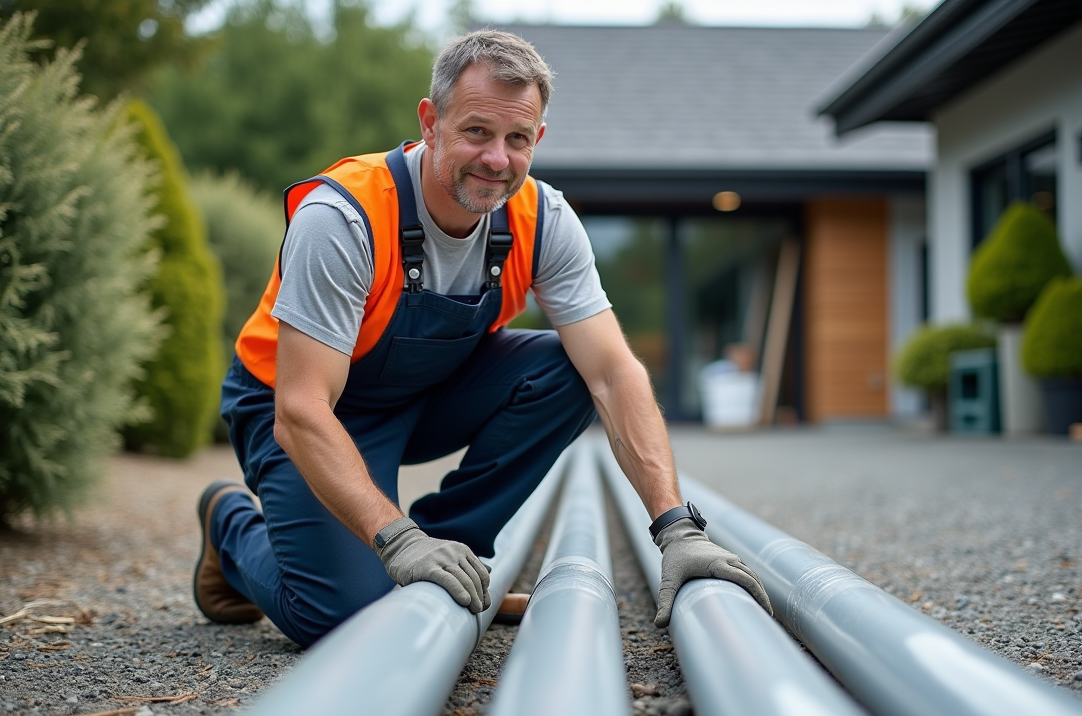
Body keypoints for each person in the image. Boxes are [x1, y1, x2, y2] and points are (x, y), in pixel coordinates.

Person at [194, 29, 772, 648]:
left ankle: (451, 558)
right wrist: (396, 540)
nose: (497, 159)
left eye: (517, 139)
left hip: (421, 396)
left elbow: (614, 374)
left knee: (570, 368)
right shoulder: (343, 218)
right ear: (431, 120)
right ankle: (230, 525)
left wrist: (677, 530)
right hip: (302, 408)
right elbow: (301, 408)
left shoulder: (543, 219)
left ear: (537, 140)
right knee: (338, 619)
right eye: (476, 132)